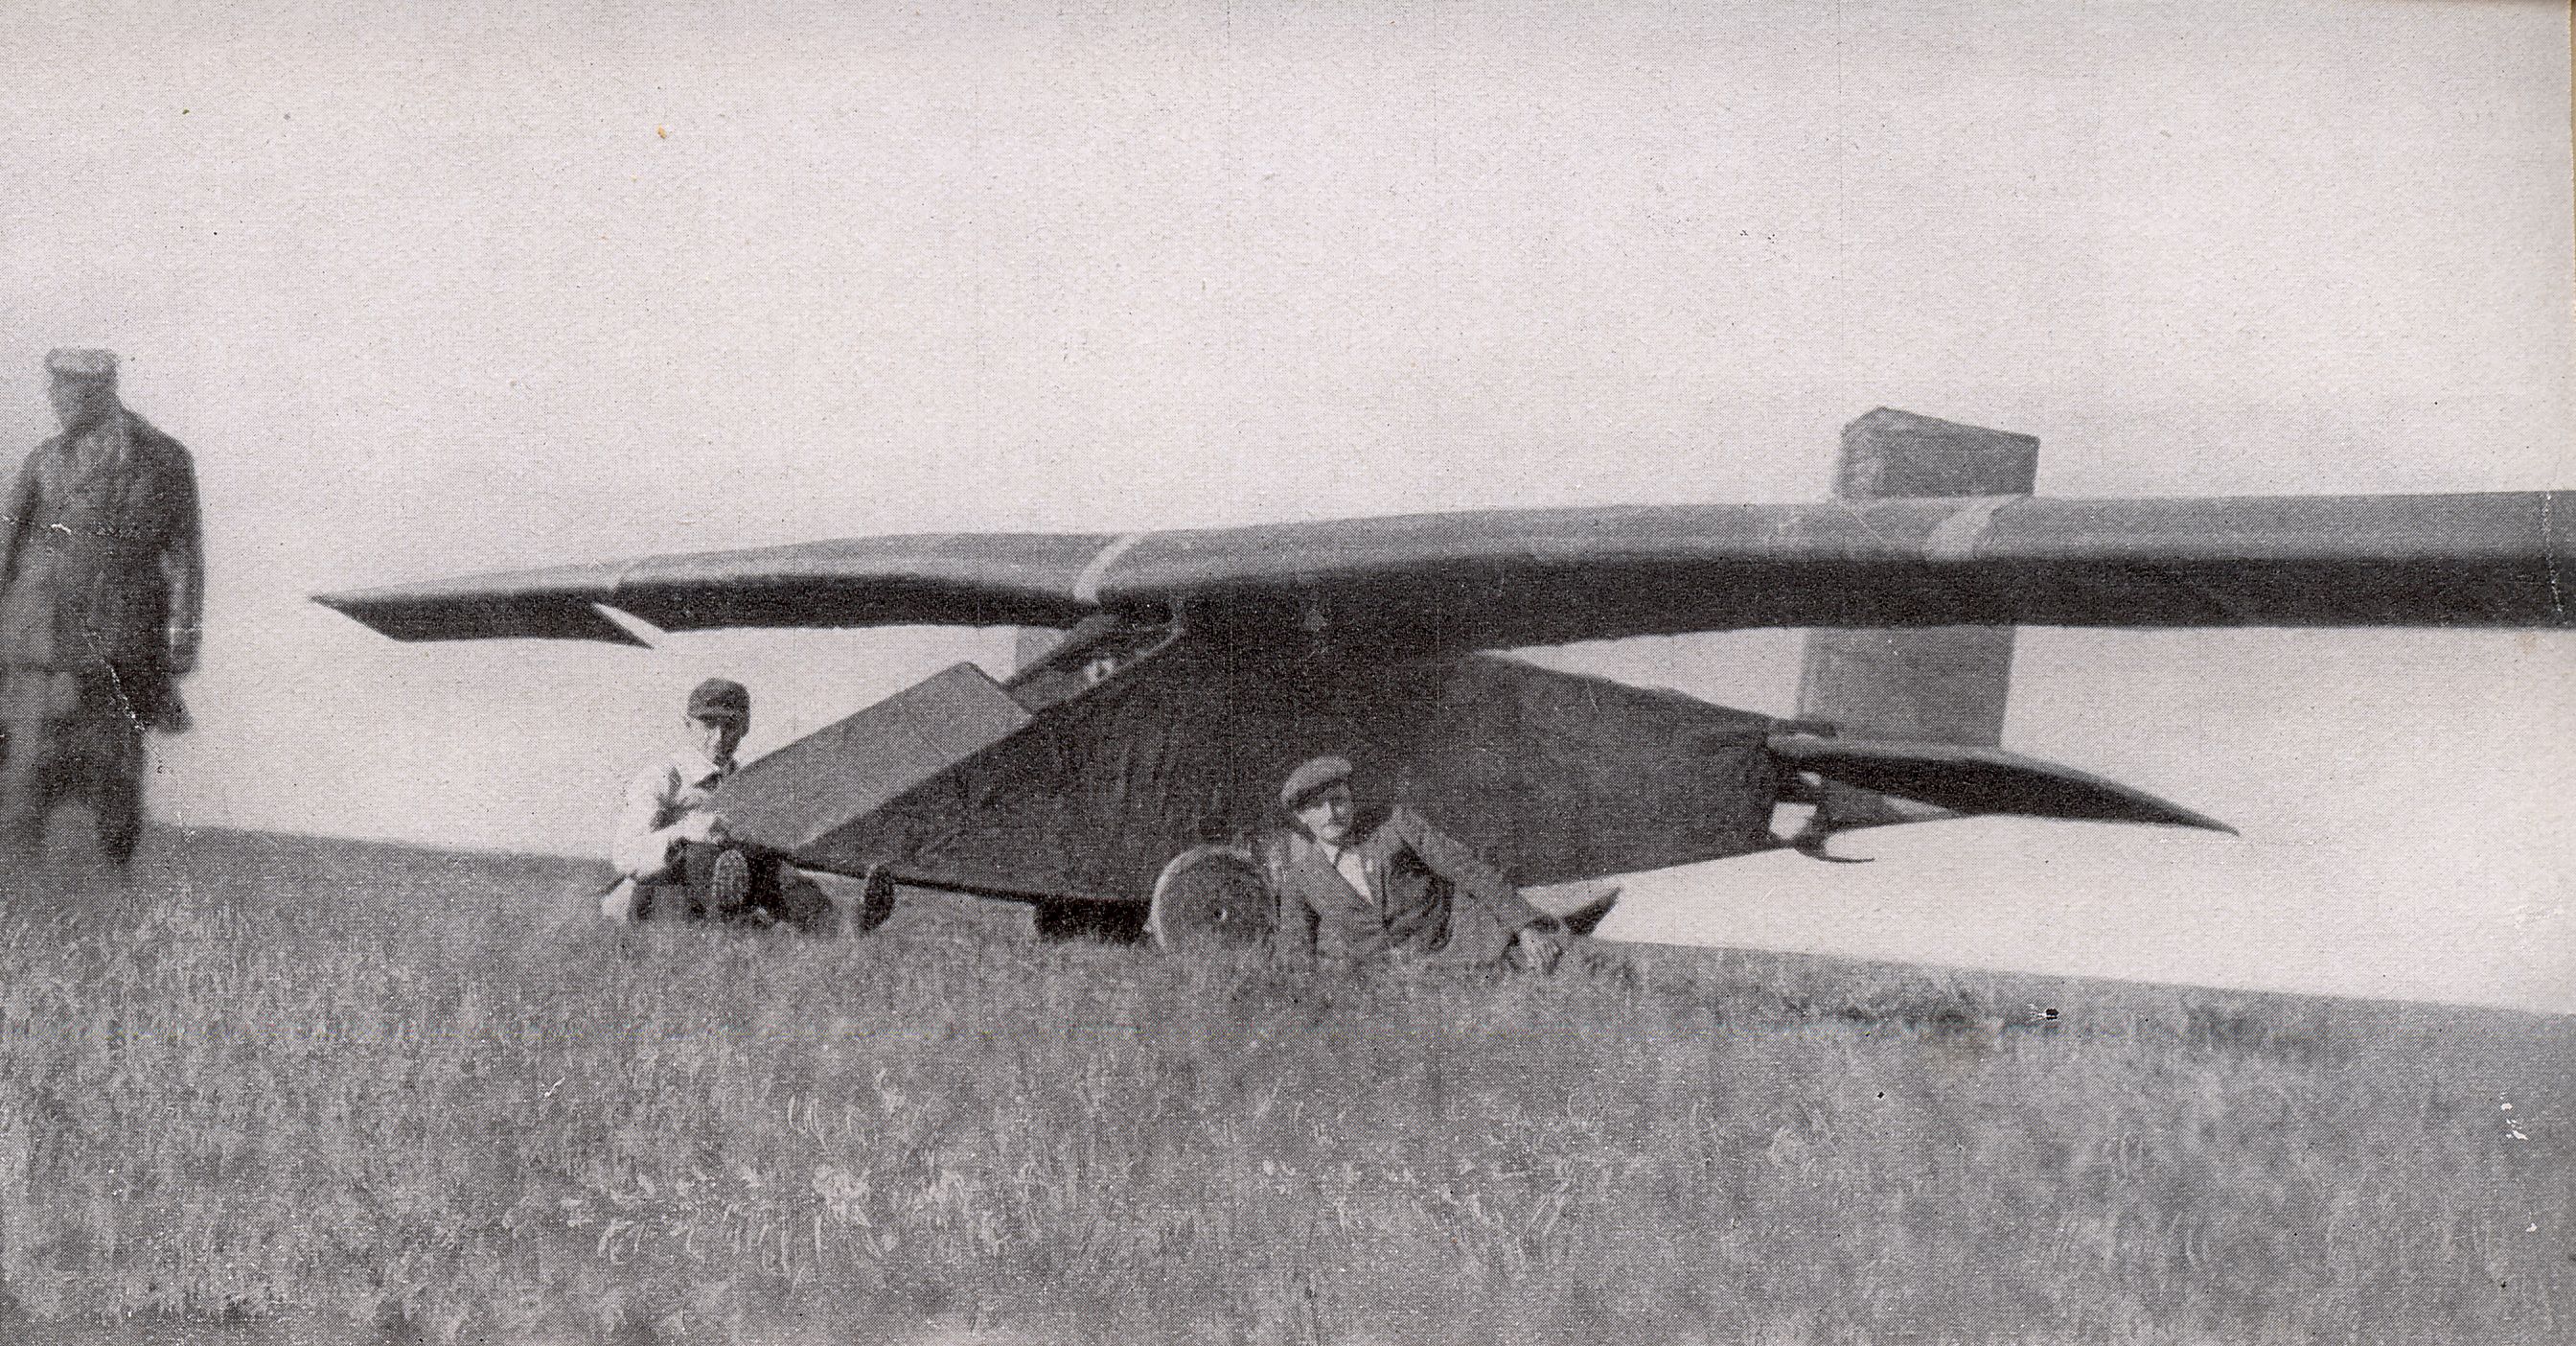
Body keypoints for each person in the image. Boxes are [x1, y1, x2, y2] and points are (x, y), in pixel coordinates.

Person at [0, 348, 204, 865]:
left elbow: (184, 552)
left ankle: (114, 881)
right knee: (26, 772)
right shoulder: (44, 460)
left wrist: (184, 634)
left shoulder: (160, 457)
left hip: (120, 638)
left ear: (99, 390)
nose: (55, 401)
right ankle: (28, 880)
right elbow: (8, 549)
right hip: (40, 636)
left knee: (114, 773)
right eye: (54, 390)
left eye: (66, 391)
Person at [1268, 754, 1566, 969]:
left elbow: (1467, 869)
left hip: (1464, 948)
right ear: (1301, 817)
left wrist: (1525, 926)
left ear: (1351, 799)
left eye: (1338, 800)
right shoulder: (1301, 878)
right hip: (1395, 987)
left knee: (1560, 962)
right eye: (1317, 806)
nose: (1331, 813)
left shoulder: (1395, 824)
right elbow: (1295, 952)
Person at [602, 678, 830, 930]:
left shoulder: (746, 782)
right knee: (701, 851)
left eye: (730, 725)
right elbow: (624, 855)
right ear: (688, 724)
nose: (719, 737)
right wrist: (683, 832)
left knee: (774, 869)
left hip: (725, 887)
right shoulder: (662, 777)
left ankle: (831, 924)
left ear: (745, 728)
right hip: (659, 894)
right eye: (708, 724)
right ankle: (740, 925)